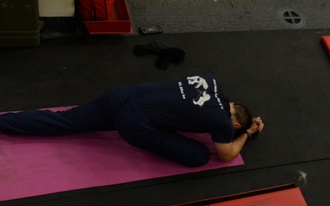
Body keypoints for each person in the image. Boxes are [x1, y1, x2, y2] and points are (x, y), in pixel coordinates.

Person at [0, 75, 263, 167]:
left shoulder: (211, 80)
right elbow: (226, 155)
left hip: (122, 96)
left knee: (64, 120)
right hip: (134, 123)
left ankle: (4, 122)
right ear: (235, 124)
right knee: (200, 157)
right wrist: (248, 134)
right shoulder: (223, 123)